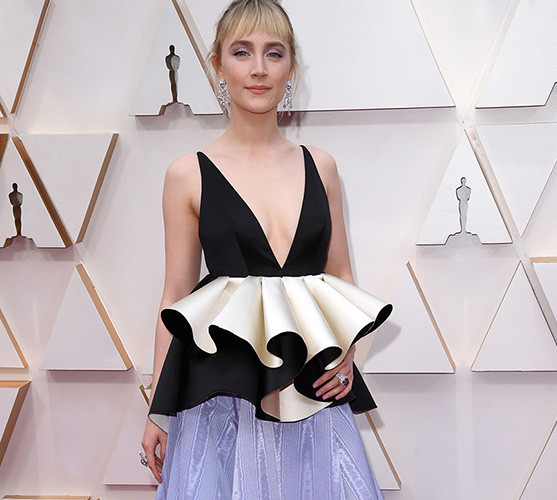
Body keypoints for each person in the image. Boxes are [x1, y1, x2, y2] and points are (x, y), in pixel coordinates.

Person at [141, 1, 391, 498]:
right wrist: (158, 409)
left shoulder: (321, 166)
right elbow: (175, 298)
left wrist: (347, 352)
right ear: (218, 65)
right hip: (220, 399)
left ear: (290, 67)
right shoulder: (186, 174)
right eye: (242, 52)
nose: (258, 68)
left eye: (273, 53)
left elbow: (341, 278)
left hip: (310, 389)